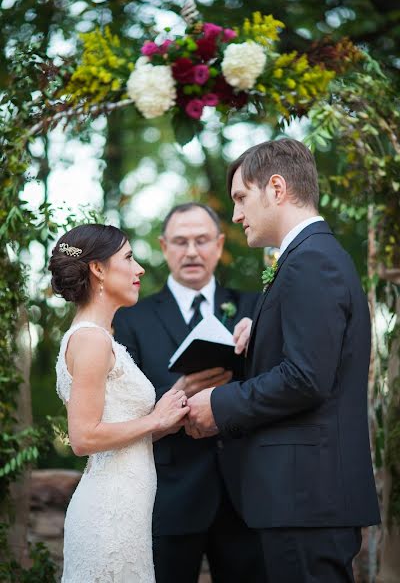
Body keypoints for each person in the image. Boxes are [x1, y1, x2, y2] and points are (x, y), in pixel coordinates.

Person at [186, 139, 381, 583]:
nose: (235, 215)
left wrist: (219, 405)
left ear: (276, 187)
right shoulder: (309, 257)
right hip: (306, 496)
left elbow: (305, 378)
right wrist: (264, 330)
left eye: (240, 197)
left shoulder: (310, 261)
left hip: (306, 497)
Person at [113, 203, 265, 583]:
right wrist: (175, 394)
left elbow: (276, 383)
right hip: (170, 494)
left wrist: (258, 334)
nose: (192, 251)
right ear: (164, 247)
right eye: (181, 242)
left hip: (245, 493)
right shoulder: (131, 318)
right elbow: (122, 405)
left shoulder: (255, 307)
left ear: (218, 244)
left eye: (201, 240)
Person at [49, 223, 190, 583]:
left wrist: (169, 416)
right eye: (128, 257)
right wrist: (155, 421)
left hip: (127, 515)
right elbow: (83, 438)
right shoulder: (91, 341)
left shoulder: (102, 340)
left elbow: (120, 430)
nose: (139, 268)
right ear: (97, 269)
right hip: (107, 519)